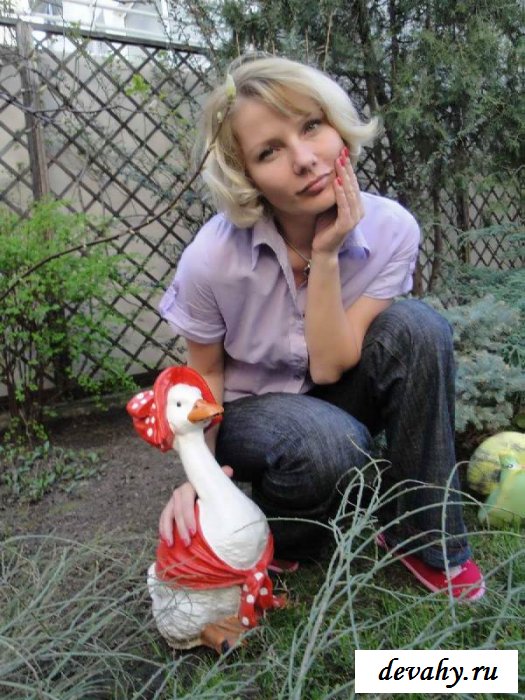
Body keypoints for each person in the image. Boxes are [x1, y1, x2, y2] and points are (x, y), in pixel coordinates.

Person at [157, 55, 485, 601]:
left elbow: (331, 366)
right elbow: (205, 376)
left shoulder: (391, 229)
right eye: (269, 151)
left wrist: (327, 254)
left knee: (417, 327)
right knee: (326, 443)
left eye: (312, 126)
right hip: (250, 415)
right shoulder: (212, 259)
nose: (305, 160)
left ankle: (425, 539)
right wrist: (200, 482)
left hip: (334, 393)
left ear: (338, 126)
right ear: (246, 176)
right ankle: (272, 529)